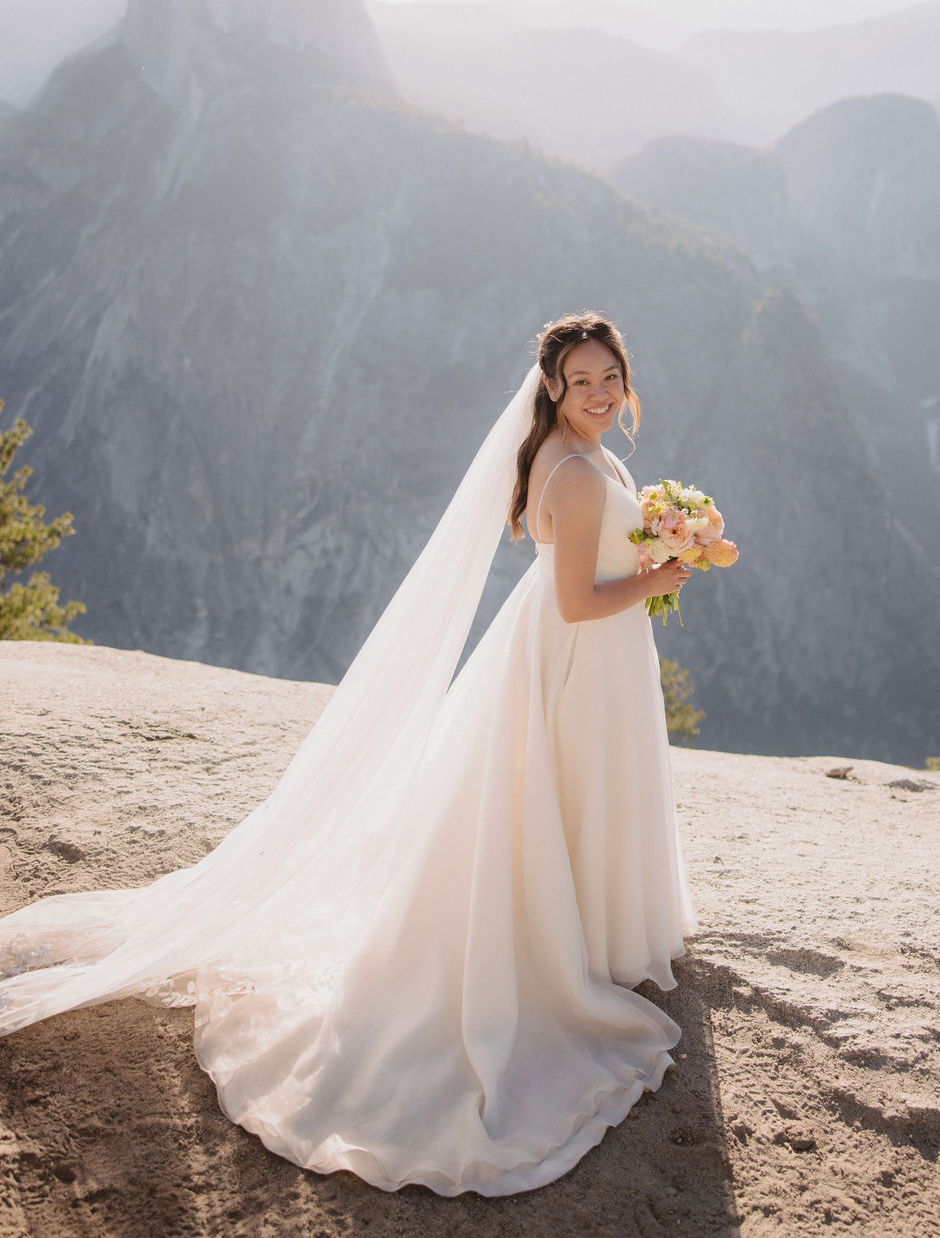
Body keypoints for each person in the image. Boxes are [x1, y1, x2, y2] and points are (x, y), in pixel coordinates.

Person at [0, 311, 698, 1196]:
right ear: (553, 390)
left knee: (557, 802)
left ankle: (585, 929)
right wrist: (661, 575)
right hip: (574, 660)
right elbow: (574, 604)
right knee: (565, 797)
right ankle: (570, 947)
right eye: (582, 381)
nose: (598, 394)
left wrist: (656, 547)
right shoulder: (577, 471)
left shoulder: (570, 453)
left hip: (568, 663)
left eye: (610, 378)